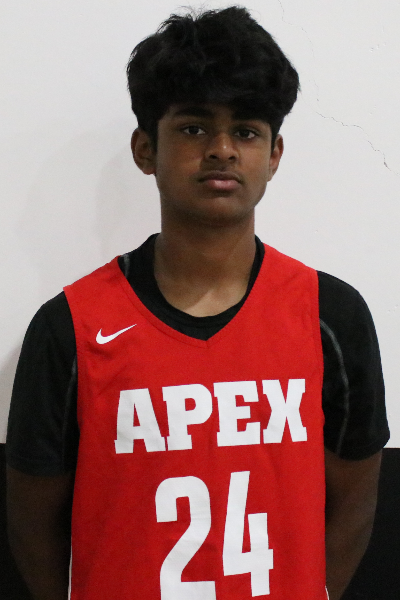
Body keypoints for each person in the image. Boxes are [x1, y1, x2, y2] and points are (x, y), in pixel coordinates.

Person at [6, 5, 389, 600]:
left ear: (274, 154)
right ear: (145, 149)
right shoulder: (71, 327)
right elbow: (34, 527)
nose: (222, 149)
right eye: (193, 128)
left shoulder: (332, 317)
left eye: (246, 131)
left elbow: (354, 505)